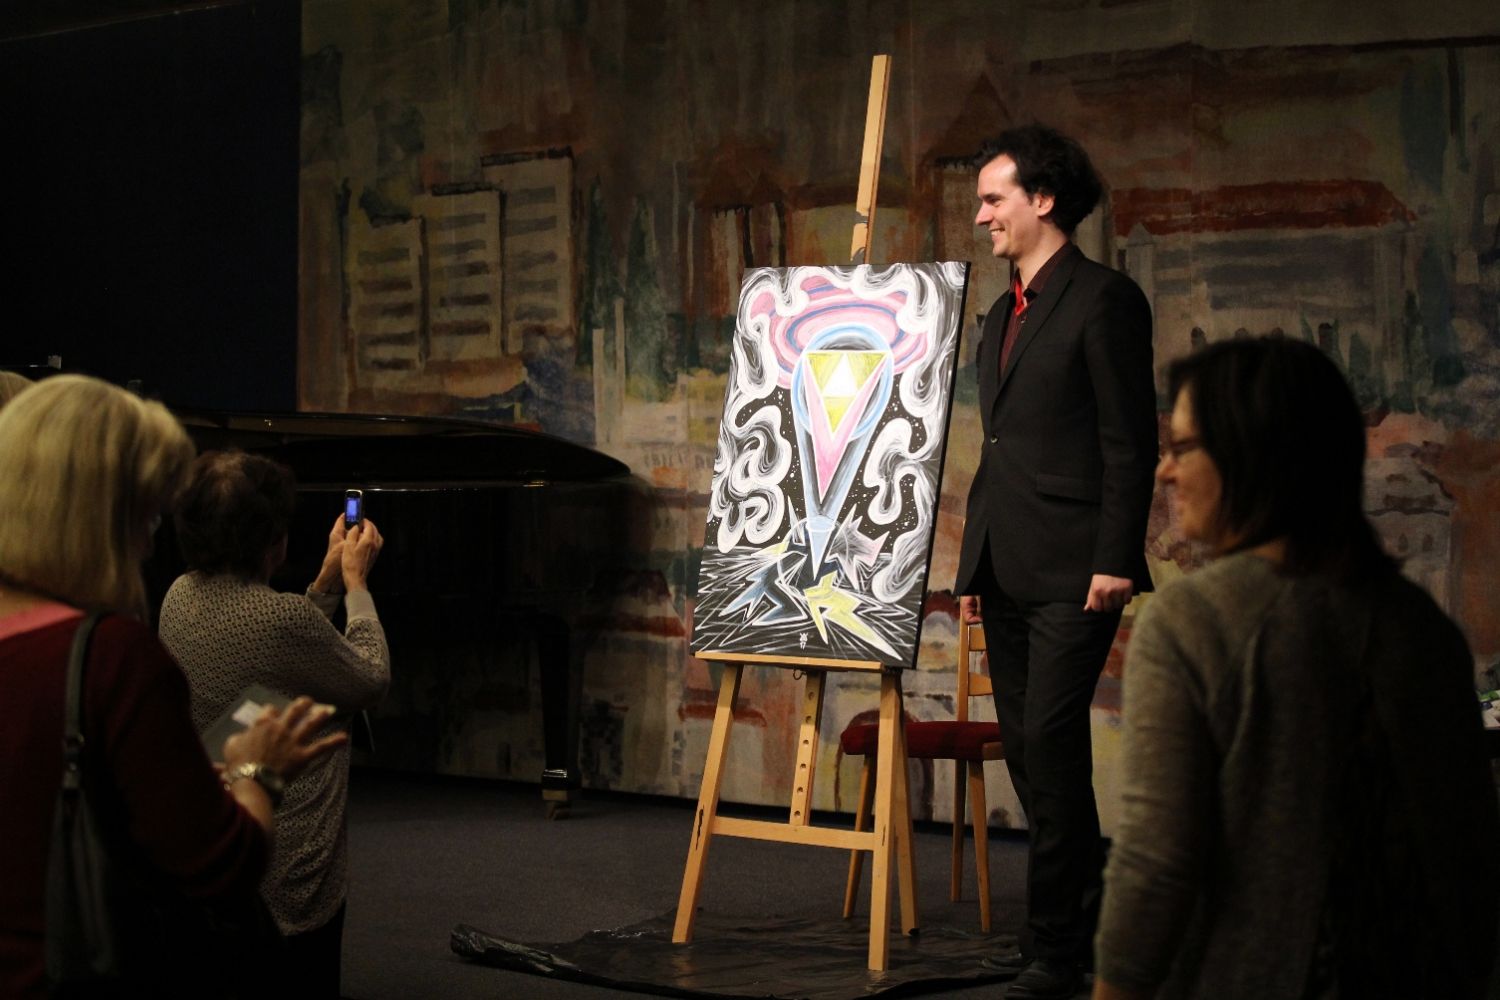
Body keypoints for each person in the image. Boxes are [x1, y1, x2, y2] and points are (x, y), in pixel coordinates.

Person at [1092, 337, 1500, 999]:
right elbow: (1470, 854)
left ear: (1251, 453)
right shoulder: (1423, 629)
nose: (1164, 471)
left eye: (1183, 448)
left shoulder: (1193, 621)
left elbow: (1155, 862)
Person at [0, 375, 345, 999]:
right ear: (98, 517)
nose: (149, 540)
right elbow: (221, 864)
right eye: (145, 513)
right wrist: (257, 770)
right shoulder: (111, 657)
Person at [953, 124, 1157, 999]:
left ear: (1042, 200)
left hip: (1079, 567)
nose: (981, 217)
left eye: (993, 199)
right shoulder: (1002, 312)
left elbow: (1129, 441)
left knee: (1052, 744)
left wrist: (1116, 557)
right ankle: (1085, 918)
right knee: (1031, 757)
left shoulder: (1105, 299)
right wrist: (973, 565)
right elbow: (999, 446)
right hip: (1004, 564)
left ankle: (1056, 950)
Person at [158, 450, 390, 999]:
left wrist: (325, 580)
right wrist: (356, 584)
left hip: (217, 846)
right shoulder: (277, 618)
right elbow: (370, 678)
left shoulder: (178, 595)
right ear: (274, 541)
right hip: (287, 863)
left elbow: (281, 655)